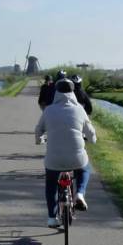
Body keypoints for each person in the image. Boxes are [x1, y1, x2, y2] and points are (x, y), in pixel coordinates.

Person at [35, 78, 96, 227]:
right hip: (77, 159)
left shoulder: (49, 110)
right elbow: (90, 132)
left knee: (51, 183)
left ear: (57, 92)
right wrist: (92, 139)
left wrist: (39, 140)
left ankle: (51, 218)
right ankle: (80, 194)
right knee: (85, 169)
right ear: (72, 92)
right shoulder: (80, 110)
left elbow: (39, 130)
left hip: (54, 160)